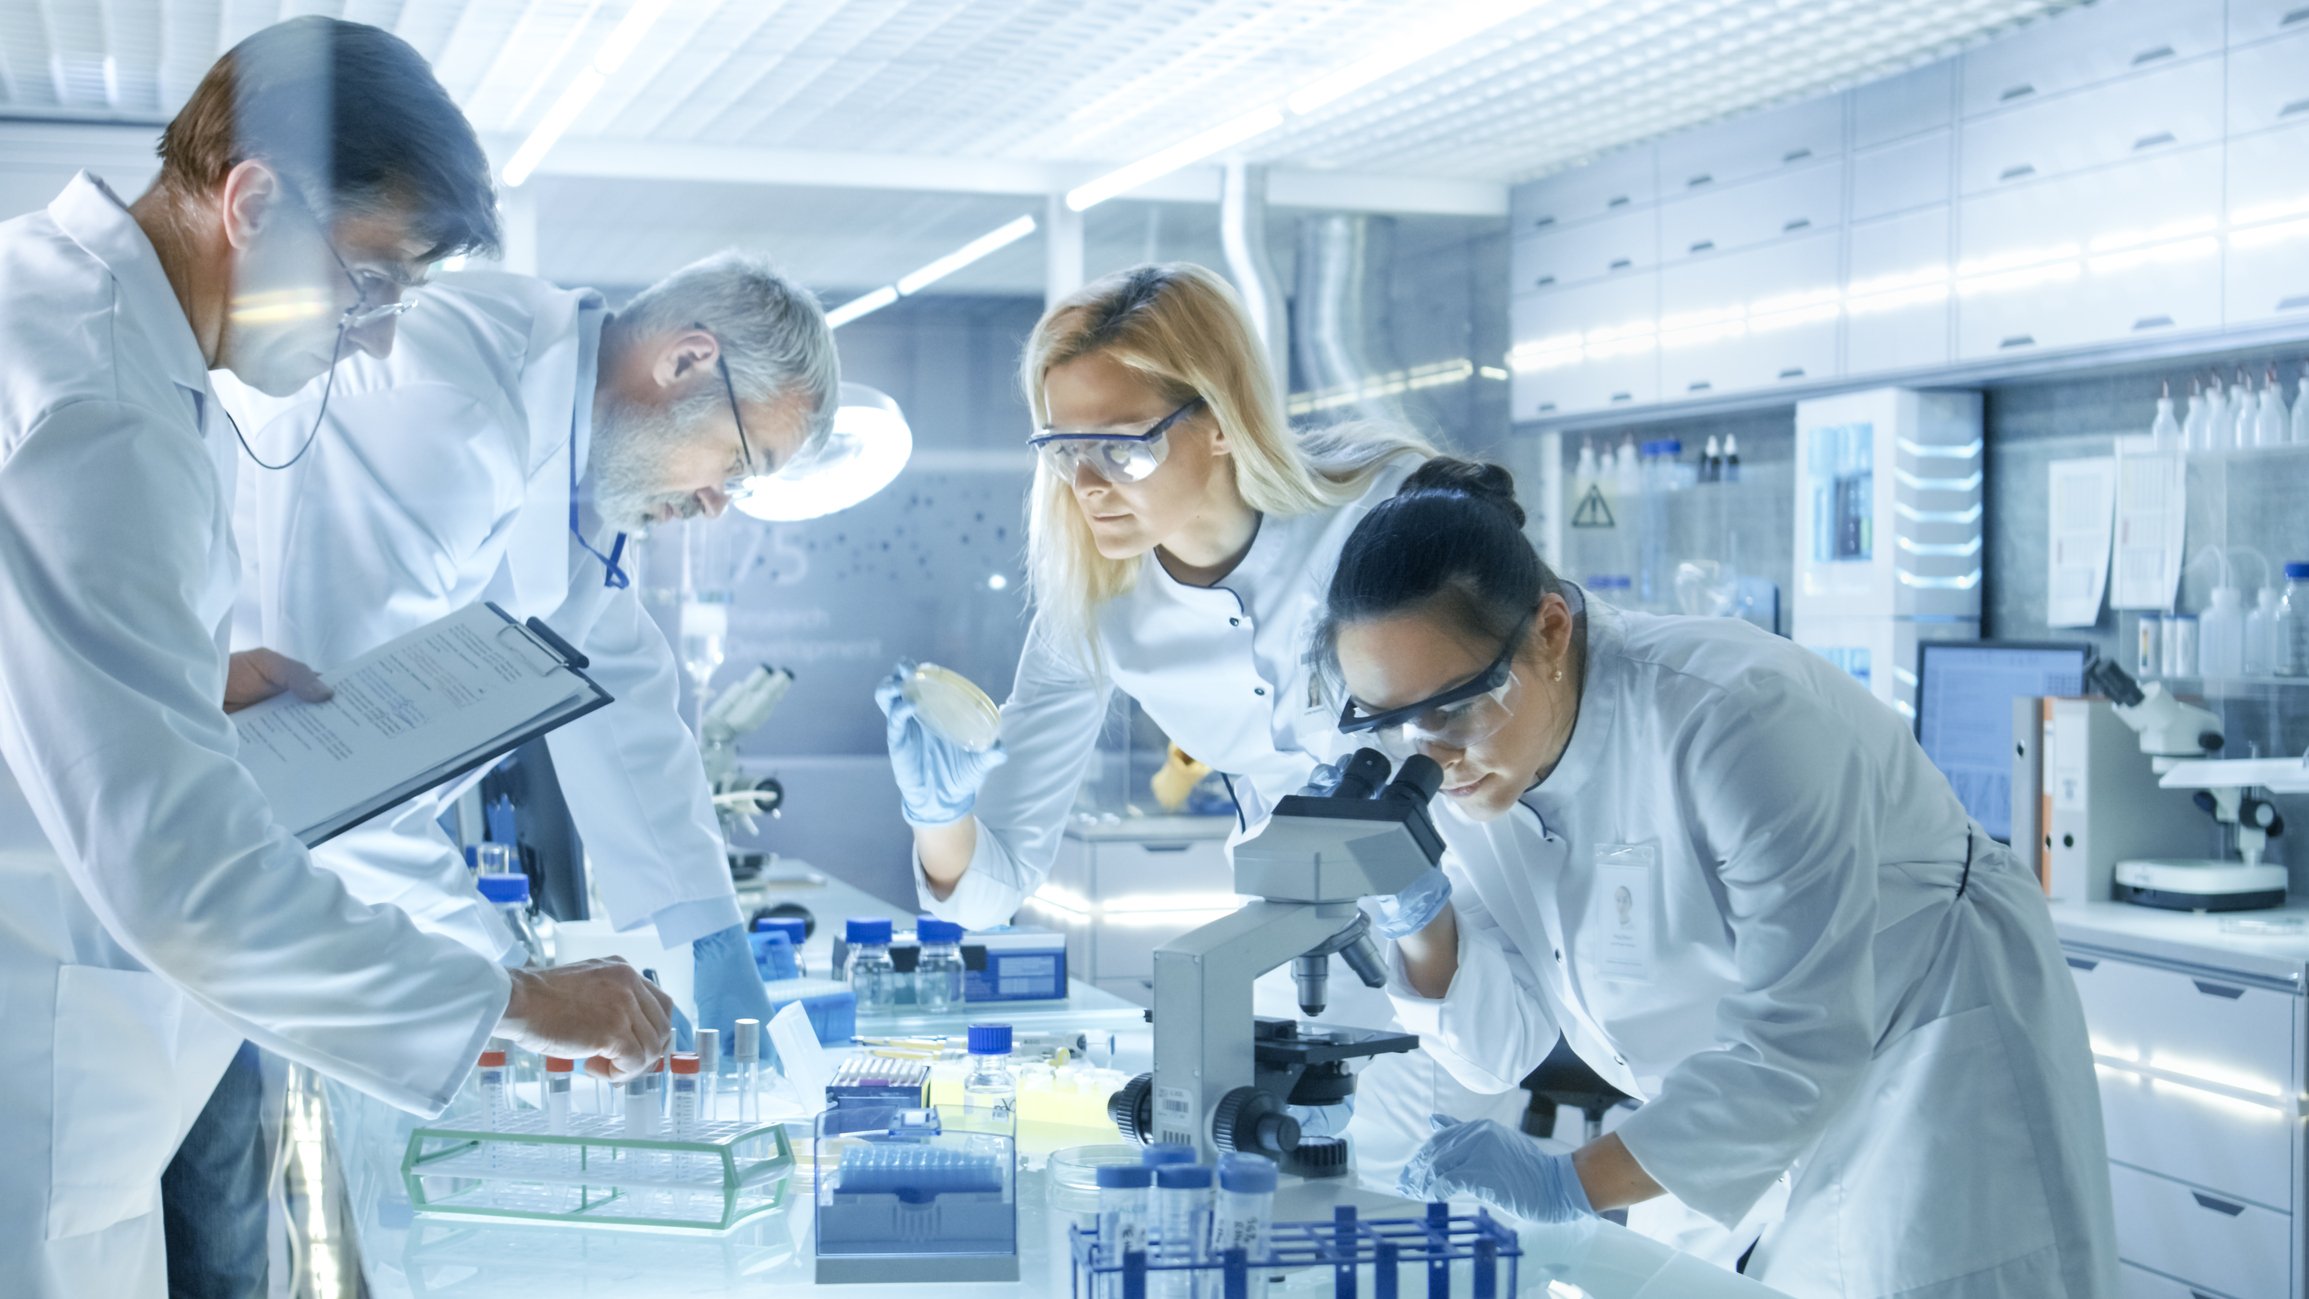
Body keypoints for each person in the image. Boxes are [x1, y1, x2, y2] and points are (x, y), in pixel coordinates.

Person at [0, 20, 671, 1298]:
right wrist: (518, 1001)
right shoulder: (97, 409)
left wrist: (175, 675)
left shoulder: (63, 311)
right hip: (33, 1057)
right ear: (251, 200)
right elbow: (187, 882)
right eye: (370, 283)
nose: (369, 339)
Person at [1318, 457, 2118, 1298]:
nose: (1431, 754)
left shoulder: (1735, 717)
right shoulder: (1456, 766)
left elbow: (1796, 1047)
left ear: (1550, 631)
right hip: (1706, 1102)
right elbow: (1497, 1049)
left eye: (1455, 705)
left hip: (1920, 1052)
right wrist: (1419, 914)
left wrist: (1567, 1183)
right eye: (1392, 720)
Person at [874, 262, 1524, 1179]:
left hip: (1476, 898)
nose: (1087, 484)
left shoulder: (1381, 511)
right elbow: (986, 889)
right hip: (1305, 943)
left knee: (1450, 1185)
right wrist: (935, 808)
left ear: (1219, 422)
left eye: (1123, 446)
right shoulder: (1095, 605)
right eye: (1064, 449)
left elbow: (1527, 703)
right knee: (1306, 1201)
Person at [225, 252, 835, 1013]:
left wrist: (708, 935)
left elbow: (622, 690)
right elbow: (335, 772)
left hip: (270, 908)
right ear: (685, 359)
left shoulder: (585, 464)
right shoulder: (439, 402)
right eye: (737, 463)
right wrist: (517, 985)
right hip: (203, 878)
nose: (719, 503)